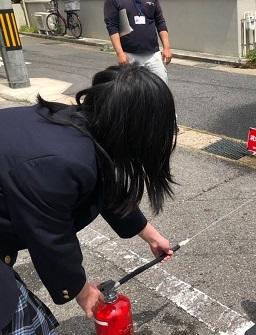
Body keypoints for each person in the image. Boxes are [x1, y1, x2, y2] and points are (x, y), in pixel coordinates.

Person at [0, 63, 178, 334]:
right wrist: (81, 289)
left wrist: (151, 236)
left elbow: (106, 186)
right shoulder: (59, 161)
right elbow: (49, 236)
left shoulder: (83, 126)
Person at [104, 0, 172, 84]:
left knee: (161, 88)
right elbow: (112, 27)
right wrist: (119, 53)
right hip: (130, 56)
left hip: (154, 55)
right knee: (133, 92)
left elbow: (160, 22)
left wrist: (167, 47)